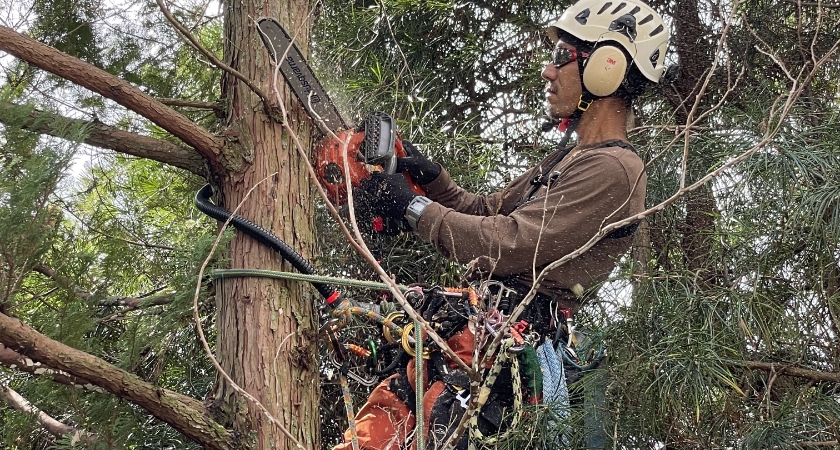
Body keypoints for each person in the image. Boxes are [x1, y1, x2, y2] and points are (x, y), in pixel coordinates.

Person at [334, 0, 670, 448]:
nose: (549, 73)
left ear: (606, 66)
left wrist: (412, 208)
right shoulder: (571, 157)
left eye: (561, 58)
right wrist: (432, 181)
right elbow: (490, 212)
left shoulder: (616, 170)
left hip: (501, 358)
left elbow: (507, 244)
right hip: (468, 340)